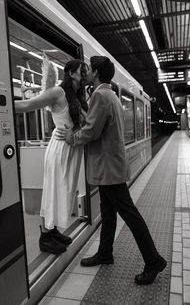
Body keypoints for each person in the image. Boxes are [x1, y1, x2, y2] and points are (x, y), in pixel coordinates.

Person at [55, 56, 167, 285]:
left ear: (95, 73)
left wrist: (71, 137)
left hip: (108, 168)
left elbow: (91, 132)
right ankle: (105, 253)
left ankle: (153, 260)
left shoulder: (99, 95)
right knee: (108, 214)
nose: (85, 73)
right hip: (110, 166)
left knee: (130, 215)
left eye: (88, 70)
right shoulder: (111, 94)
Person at [15, 59, 88, 255]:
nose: (86, 74)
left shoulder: (77, 96)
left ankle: (53, 230)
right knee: (53, 190)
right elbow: (28, 104)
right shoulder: (58, 92)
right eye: (83, 71)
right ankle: (45, 236)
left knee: (64, 191)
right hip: (60, 149)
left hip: (72, 149)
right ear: (71, 73)